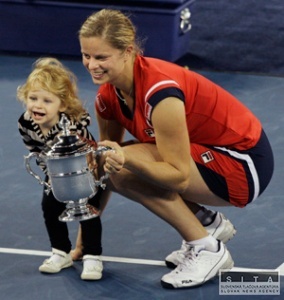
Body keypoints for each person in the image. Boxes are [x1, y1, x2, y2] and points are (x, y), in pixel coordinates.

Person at [77, 9, 274, 289]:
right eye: (86, 55)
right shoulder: (108, 97)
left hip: (243, 164)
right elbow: (103, 168)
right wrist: (86, 242)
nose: (91, 64)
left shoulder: (160, 93)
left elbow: (178, 176)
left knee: (122, 166)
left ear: (127, 51)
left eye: (101, 57)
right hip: (206, 155)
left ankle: (207, 249)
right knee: (113, 164)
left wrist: (125, 162)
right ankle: (205, 222)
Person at [17, 57, 107, 281]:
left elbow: (84, 119)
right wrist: (50, 175)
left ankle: (92, 256)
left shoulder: (72, 122)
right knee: (50, 207)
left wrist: (71, 128)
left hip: (88, 171)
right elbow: (35, 149)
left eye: (47, 101)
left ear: (63, 105)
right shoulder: (26, 122)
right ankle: (61, 252)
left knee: (88, 212)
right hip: (55, 173)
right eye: (33, 98)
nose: (38, 105)